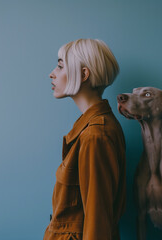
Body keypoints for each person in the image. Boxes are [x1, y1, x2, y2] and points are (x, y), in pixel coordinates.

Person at [43, 39, 126, 240]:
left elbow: (98, 222)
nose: (52, 73)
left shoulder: (95, 135)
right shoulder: (92, 128)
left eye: (61, 66)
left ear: (83, 74)